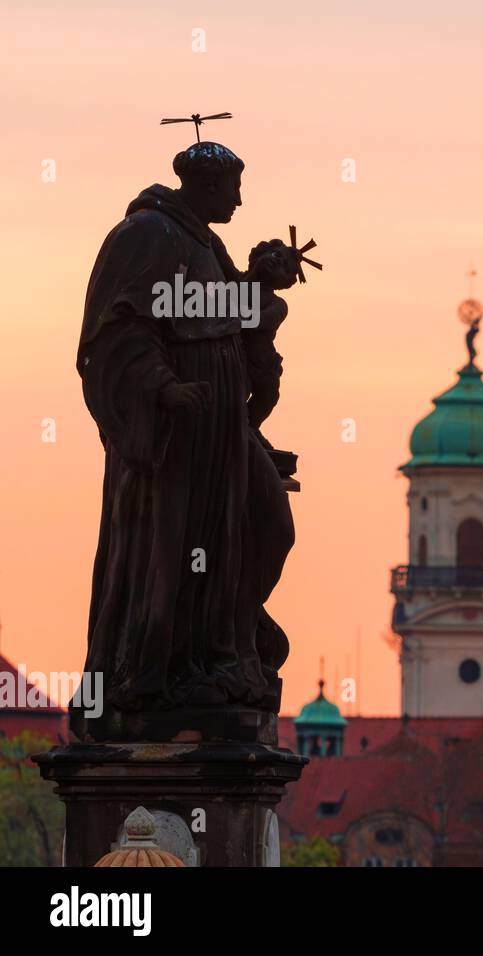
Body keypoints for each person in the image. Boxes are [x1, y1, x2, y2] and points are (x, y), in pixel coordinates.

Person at [77, 141, 296, 714]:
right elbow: (116, 330)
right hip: (179, 427)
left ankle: (230, 648)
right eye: (232, 189)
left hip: (223, 422)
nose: (240, 201)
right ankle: (161, 673)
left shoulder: (205, 242)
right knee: (177, 545)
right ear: (203, 184)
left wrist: (265, 281)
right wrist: (163, 388)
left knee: (269, 528)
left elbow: (226, 313)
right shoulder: (147, 234)